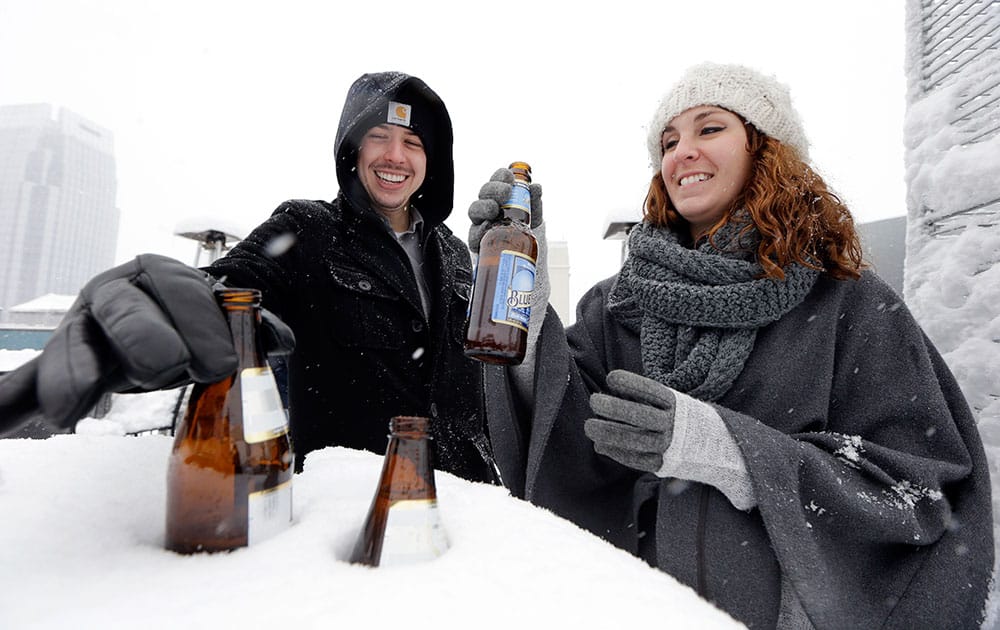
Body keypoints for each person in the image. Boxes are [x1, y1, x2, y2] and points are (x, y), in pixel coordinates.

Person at [472, 63, 994, 629]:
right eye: (668, 142)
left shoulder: (847, 301)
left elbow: (920, 490)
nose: (682, 152)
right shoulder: (617, 304)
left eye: (709, 128)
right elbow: (566, 432)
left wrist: (728, 449)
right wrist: (523, 302)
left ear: (765, 149)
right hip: (637, 608)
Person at [0, 71, 518, 484]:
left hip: (465, 500)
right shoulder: (306, 229)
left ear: (432, 160)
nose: (395, 156)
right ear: (352, 150)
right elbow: (230, 291)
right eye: (378, 137)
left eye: (413, 142)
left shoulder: (455, 254)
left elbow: (492, 363)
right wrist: (173, 304)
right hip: (350, 505)